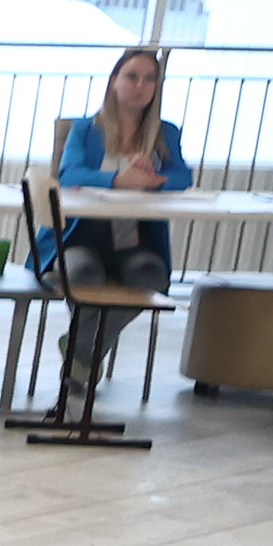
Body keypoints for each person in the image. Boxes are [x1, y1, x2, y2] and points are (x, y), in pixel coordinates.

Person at [45, 47, 193, 393]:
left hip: (133, 241)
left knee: (151, 276)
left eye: (149, 79)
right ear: (114, 81)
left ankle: (80, 350)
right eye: (131, 76)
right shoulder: (85, 129)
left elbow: (183, 176)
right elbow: (68, 174)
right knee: (84, 275)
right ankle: (84, 363)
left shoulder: (165, 133)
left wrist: (155, 179)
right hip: (81, 237)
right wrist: (117, 179)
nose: (140, 86)